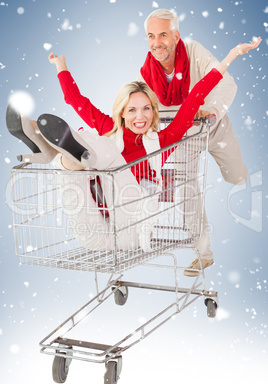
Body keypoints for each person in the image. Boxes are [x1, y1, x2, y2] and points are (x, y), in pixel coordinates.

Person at [6, 38, 261, 254]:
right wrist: (61, 66)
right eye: (132, 110)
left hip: (134, 224)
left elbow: (195, 96)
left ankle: (51, 145)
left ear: (153, 111)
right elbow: (76, 100)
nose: (140, 116)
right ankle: (59, 153)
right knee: (78, 172)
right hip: (99, 232)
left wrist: (231, 56)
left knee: (104, 151)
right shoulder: (111, 127)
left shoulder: (163, 140)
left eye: (147, 109)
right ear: (123, 112)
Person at [137, 8, 261, 276]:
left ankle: (242, 182)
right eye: (150, 36)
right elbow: (139, 107)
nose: (156, 42)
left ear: (176, 36)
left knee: (237, 176)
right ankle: (203, 254)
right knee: (186, 188)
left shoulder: (192, 51)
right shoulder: (146, 73)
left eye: (162, 35)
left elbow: (226, 82)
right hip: (183, 135)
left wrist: (210, 110)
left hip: (214, 125)